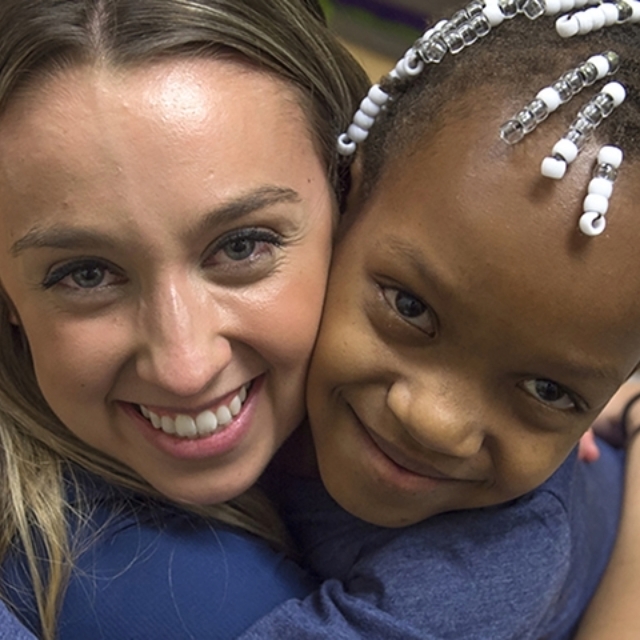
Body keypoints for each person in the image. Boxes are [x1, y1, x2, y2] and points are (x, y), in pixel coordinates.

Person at [238, 2, 640, 638]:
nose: (435, 422)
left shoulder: (497, 560)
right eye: (409, 308)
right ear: (344, 198)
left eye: (548, 390)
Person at [0, 1, 368, 638]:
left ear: (356, 204)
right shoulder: (133, 582)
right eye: (85, 274)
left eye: (241, 246)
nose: (184, 367)